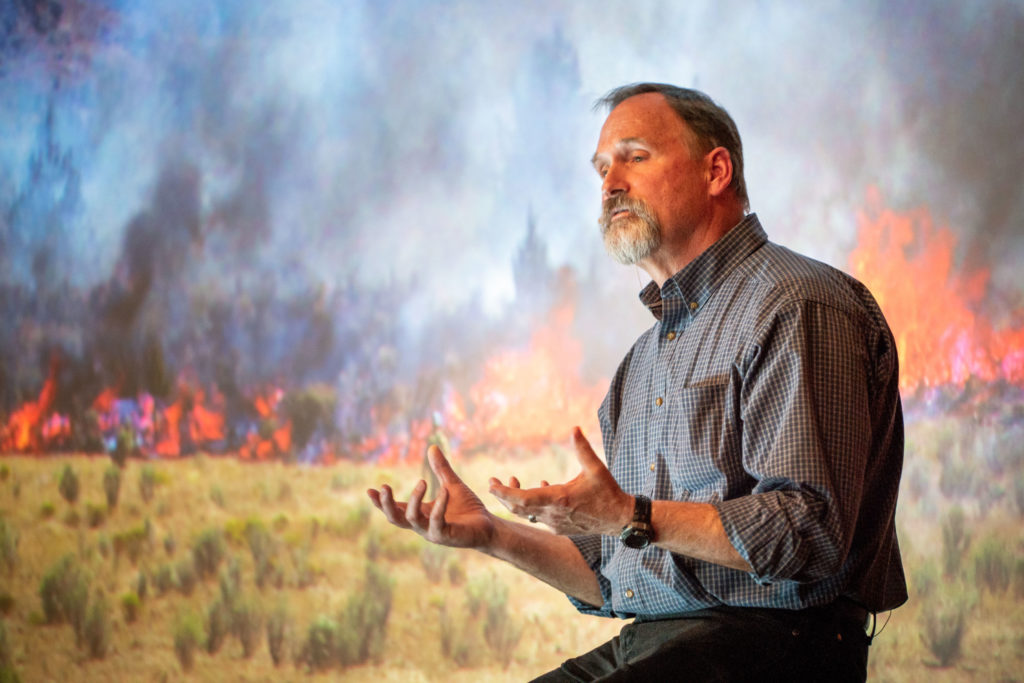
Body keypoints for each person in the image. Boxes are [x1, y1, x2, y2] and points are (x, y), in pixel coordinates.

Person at [367, 83, 907, 682]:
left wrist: (633, 512)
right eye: (602, 168)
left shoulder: (796, 304)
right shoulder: (638, 367)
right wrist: (493, 535)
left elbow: (807, 531)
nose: (610, 183)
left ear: (716, 171)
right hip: (658, 642)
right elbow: (609, 574)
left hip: (777, 649)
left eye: (635, 157)